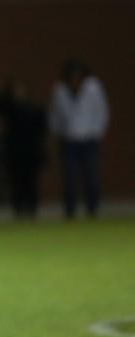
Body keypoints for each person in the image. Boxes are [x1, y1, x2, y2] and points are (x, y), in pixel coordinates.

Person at [49, 61, 109, 219]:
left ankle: (92, 209)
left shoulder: (93, 88)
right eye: (72, 76)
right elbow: (55, 115)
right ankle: (70, 211)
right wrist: (57, 132)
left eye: (78, 76)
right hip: (68, 140)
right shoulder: (60, 90)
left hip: (89, 139)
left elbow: (102, 111)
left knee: (91, 175)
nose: (75, 79)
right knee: (69, 177)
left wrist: (97, 132)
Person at [0, 78, 46, 219]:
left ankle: (32, 209)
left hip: (30, 151)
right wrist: (6, 93)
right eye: (16, 90)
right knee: (16, 182)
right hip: (14, 152)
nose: (19, 93)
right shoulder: (10, 109)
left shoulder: (33, 108)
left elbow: (42, 128)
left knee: (31, 182)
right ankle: (18, 209)